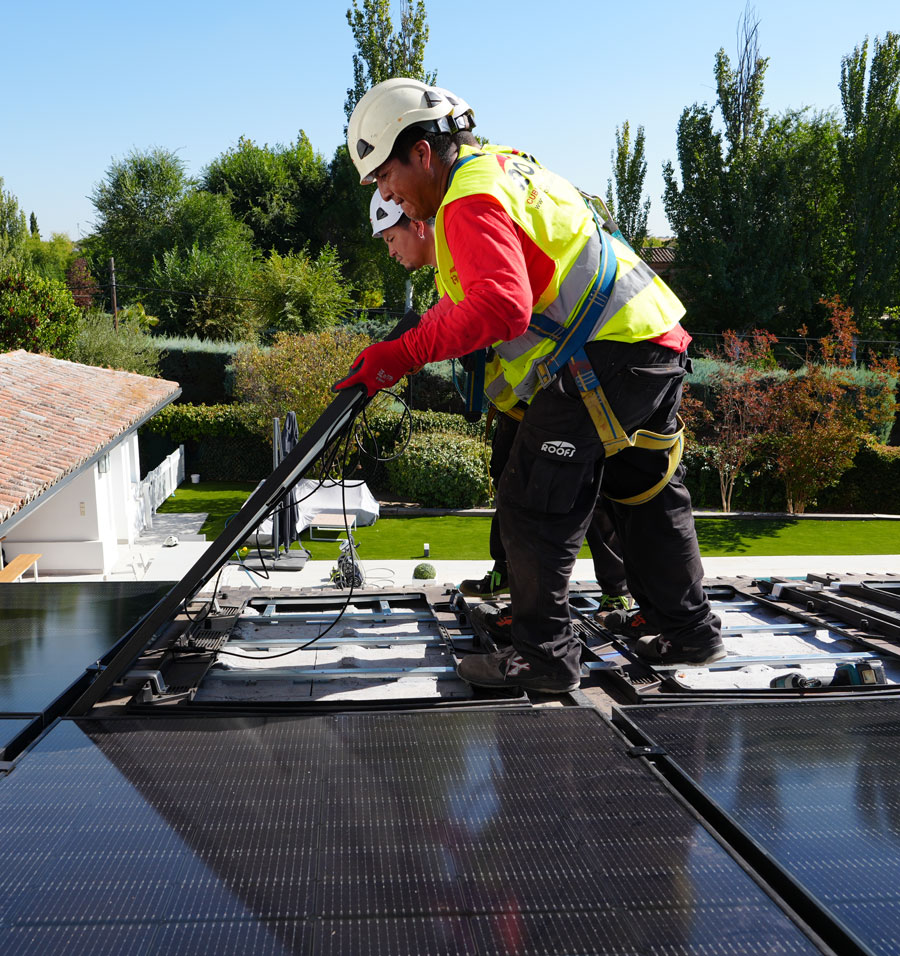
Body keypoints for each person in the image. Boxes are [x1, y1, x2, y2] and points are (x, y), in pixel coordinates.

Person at [338, 79, 723, 693]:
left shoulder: (466, 201)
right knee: (644, 491)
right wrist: (403, 348)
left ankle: (543, 659)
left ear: (421, 152)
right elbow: (494, 299)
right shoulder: (506, 167)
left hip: (602, 358)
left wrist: (401, 355)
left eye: (385, 175)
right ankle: (689, 631)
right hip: (650, 339)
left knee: (534, 506)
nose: (387, 193)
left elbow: (499, 307)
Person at [369, 192, 631, 613]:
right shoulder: (451, 268)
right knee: (511, 489)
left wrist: (411, 351)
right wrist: (411, 351)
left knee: (576, 494)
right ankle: (512, 581)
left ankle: (605, 595)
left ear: (417, 224)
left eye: (390, 239)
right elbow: (455, 315)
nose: (391, 251)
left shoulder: (471, 239)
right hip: (523, 395)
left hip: (561, 383)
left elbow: (496, 308)